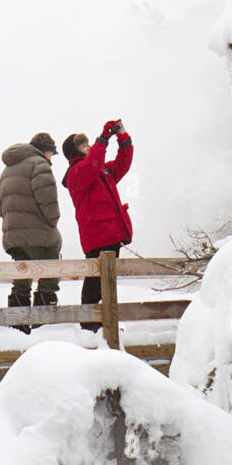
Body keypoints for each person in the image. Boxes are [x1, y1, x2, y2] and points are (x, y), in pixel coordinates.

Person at [63, 119, 133, 332]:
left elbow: (123, 163)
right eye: (84, 146)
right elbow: (92, 163)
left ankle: (102, 324)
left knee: (106, 284)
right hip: (98, 235)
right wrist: (102, 138)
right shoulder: (77, 173)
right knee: (95, 285)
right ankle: (89, 326)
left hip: (111, 234)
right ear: (75, 153)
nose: (89, 148)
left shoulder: (99, 170)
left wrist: (123, 138)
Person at [0, 132, 62, 327]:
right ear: (46, 151)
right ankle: (43, 319)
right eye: (51, 154)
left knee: (22, 273)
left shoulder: (8, 168)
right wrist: (53, 221)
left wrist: (11, 221)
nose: (51, 158)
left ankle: (18, 321)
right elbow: (48, 200)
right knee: (50, 267)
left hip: (13, 234)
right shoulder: (40, 164)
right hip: (39, 234)